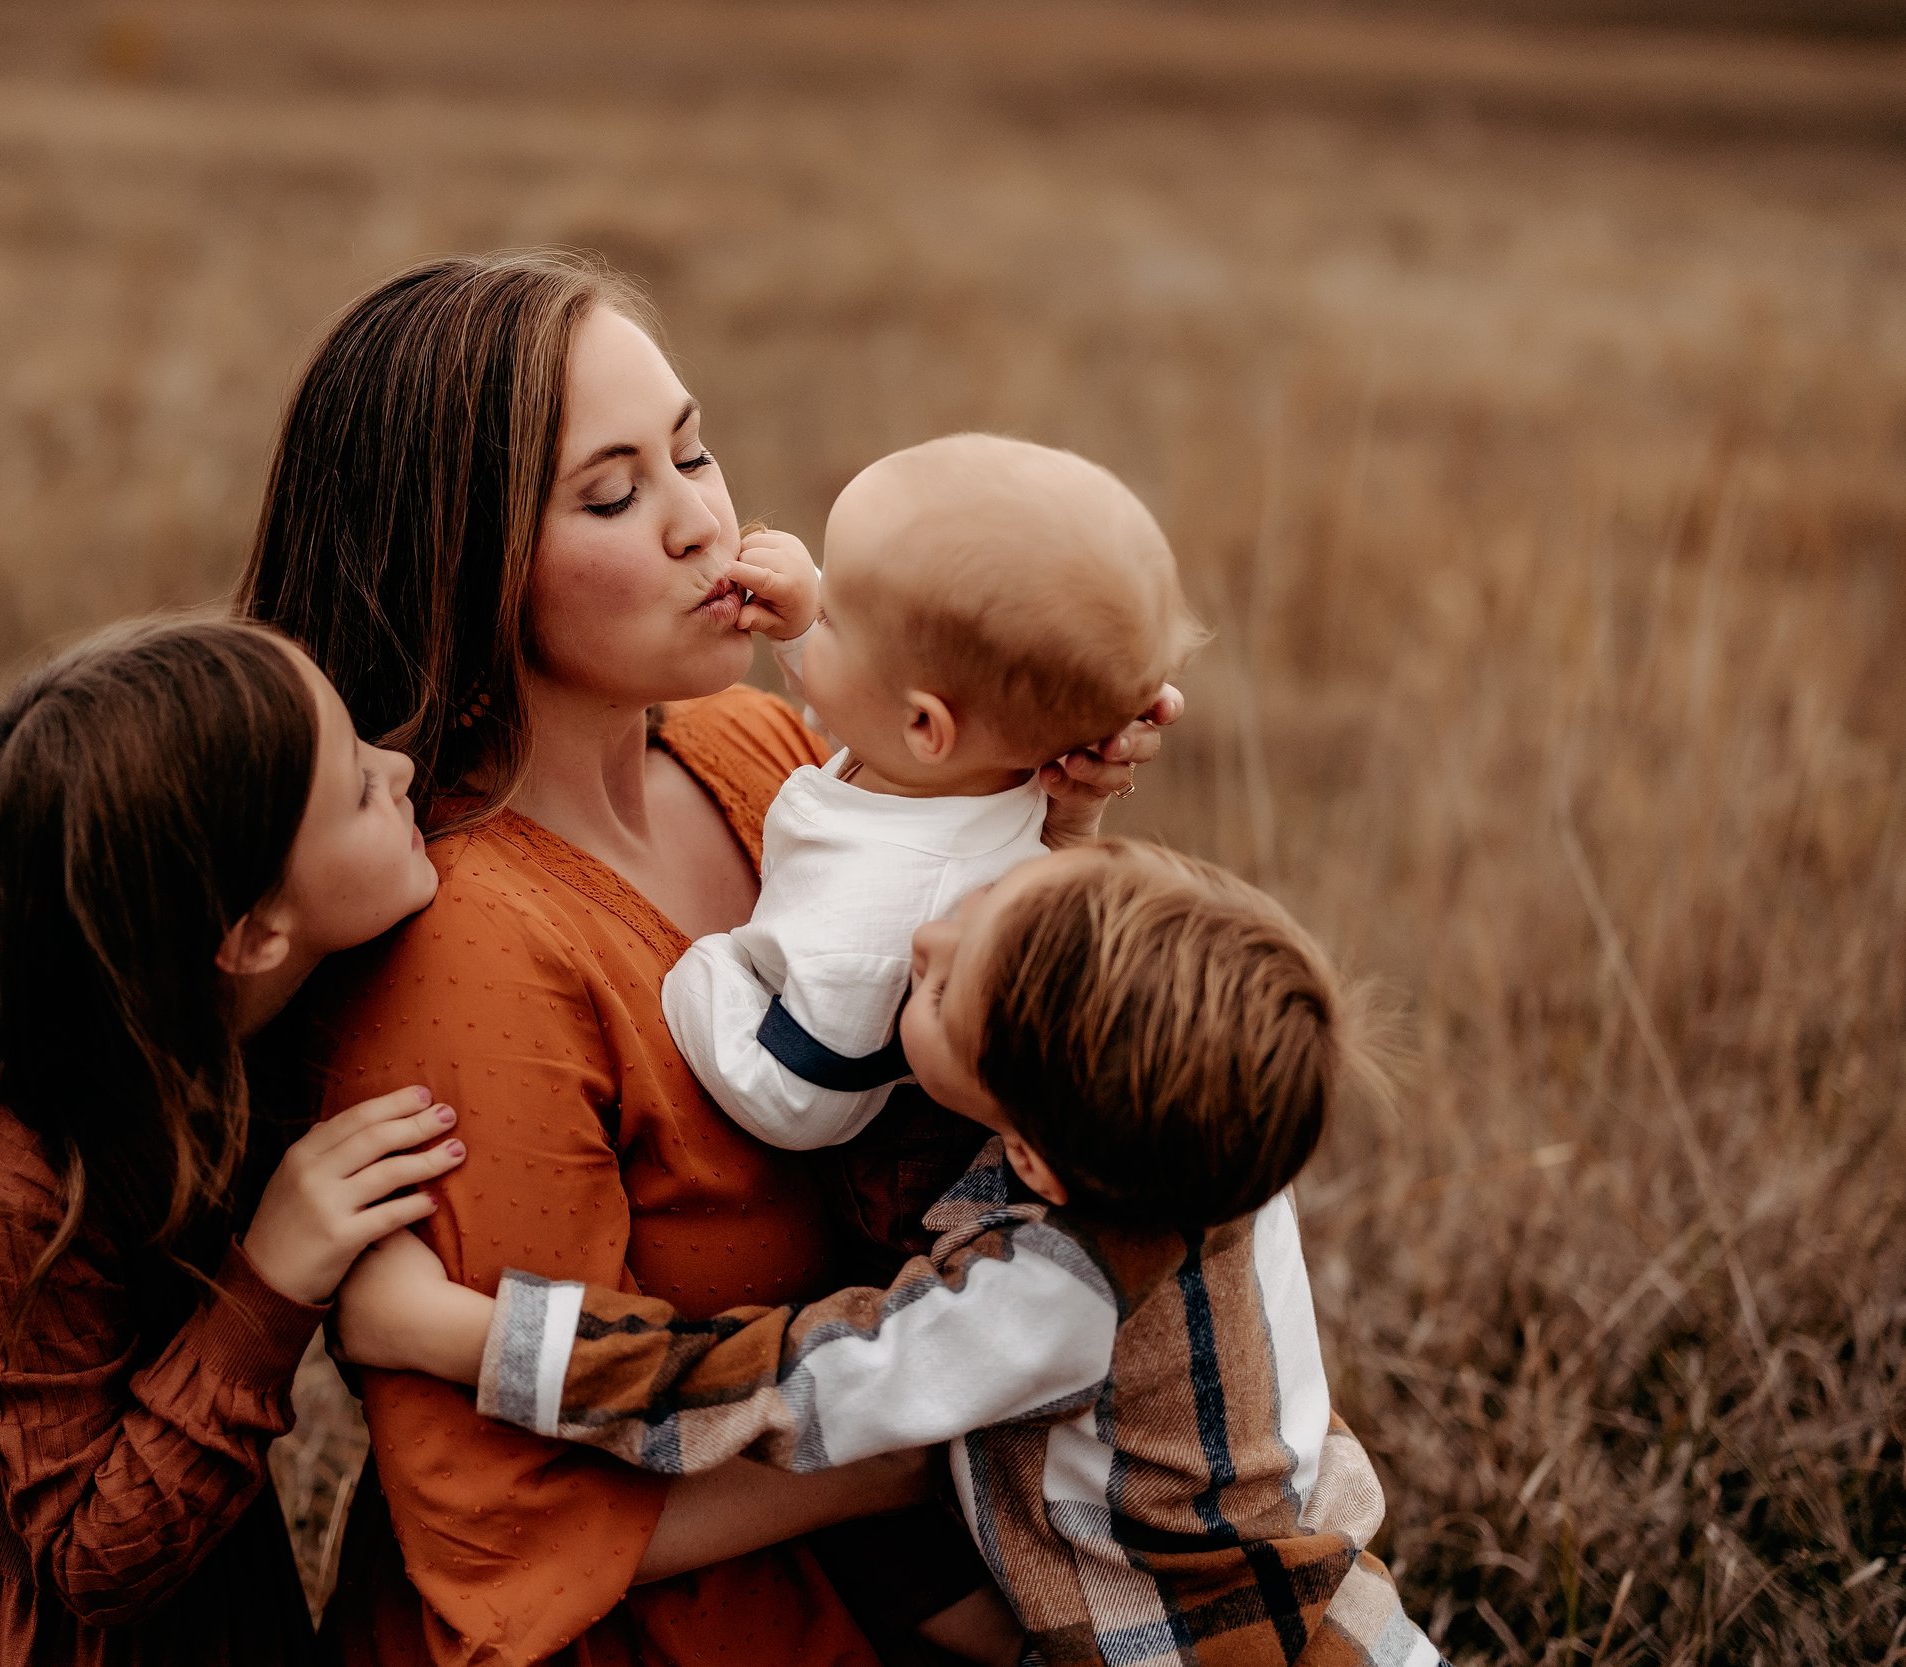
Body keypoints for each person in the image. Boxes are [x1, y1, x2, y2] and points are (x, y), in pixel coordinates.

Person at [238, 250, 1174, 1666]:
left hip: (937, 1550)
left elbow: (968, 1051)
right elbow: (494, 1524)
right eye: (614, 494)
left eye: (694, 450)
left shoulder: (764, 751)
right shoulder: (467, 953)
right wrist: (916, 1449)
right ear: (463, 560)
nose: (702, 522)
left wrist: (1057, 797)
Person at [337, 841, 1442, 1667]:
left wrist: (453, 1331)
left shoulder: (1051, 1298)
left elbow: (773, 1384)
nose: (925, 940)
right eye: (981, 902)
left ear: (1033, 1159)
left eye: (941, 992)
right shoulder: (1221, 1127)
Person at [0, 616, 465, 1667]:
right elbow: (96, 1558)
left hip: (193, 1547)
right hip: (36, 1627)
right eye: (358, 788)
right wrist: (269, 1280)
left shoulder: (215, 1005)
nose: (404, 764)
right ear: (249, 933)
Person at [667, 432, 1204, 1156]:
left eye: (833, 616)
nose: (816, 596)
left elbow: (796, 1098)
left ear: (926, 723)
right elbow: (869, 702)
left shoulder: (878, 919)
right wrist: (803, 625)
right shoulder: (963, 767)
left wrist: (704, 967)